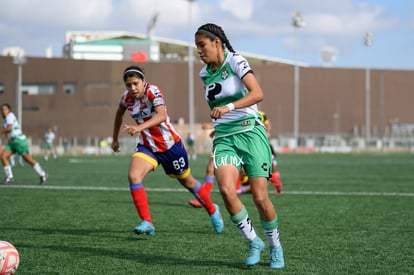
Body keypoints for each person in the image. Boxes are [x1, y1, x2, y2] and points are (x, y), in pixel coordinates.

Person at [194, 23, 285, 269]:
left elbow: (258, 93)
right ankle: (253, 241)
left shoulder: (235, 61)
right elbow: (219, 104)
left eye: (202, 45)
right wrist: (217, 119)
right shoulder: (204, 74)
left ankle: (275, 246)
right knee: (225, 189)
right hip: (225, 138)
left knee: (260, 198)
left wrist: (229, 108)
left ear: (216, 42)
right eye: (197, 47)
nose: (199, 51)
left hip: (251, 133)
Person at [111, 65, 224, 236]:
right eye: (129, 85)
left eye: (135, 83)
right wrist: (114, 139)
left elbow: (161, 115)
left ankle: (212, 209)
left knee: (189, 182)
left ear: (143, 82)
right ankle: (147, 222)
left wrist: (139, 127)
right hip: (147, 147)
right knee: (133, 176)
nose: (132, 88)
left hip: (170, 146)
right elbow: (118, 115)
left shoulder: (153, 92)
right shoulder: (126, 98)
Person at [0, 103, 47, 184]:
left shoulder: (10, 116)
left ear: (9, 110)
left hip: (19, 141)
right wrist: (7, 139)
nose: (3, 111)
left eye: (5, 109)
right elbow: (7, 132)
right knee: (3, 156)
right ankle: (10, 177)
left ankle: (42, 174)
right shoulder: (6, 120)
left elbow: (9, 128)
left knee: (28, 159)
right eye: (2, 110)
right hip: (13, 143)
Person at [259, 111, 283, 194]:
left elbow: (268, 126)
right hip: (251, 144)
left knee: (267, 168)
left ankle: (276, 184)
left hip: (261, 144)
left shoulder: (261, 114)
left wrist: (266, 135)